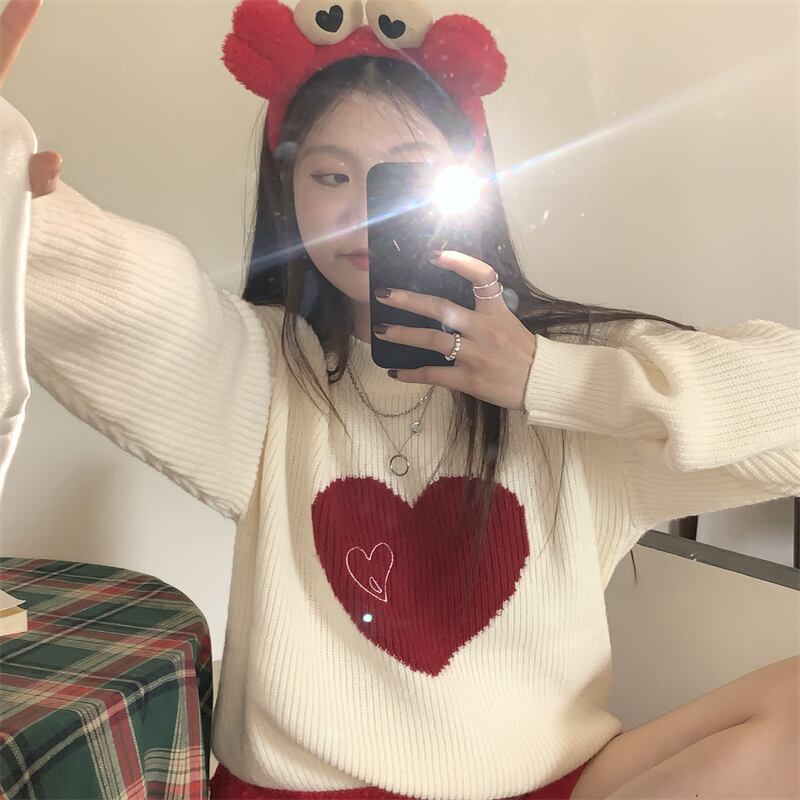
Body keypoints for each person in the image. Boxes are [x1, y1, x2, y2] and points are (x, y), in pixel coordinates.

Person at [3, 1, 799, 798]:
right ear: (289, 194)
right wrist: (16, 199)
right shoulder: (260, 372)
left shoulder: (578, 376)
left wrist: (548, 380)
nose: (366, 210)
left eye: (406, 175)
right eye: (331, 176)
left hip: (549, 780)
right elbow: (120, 289)